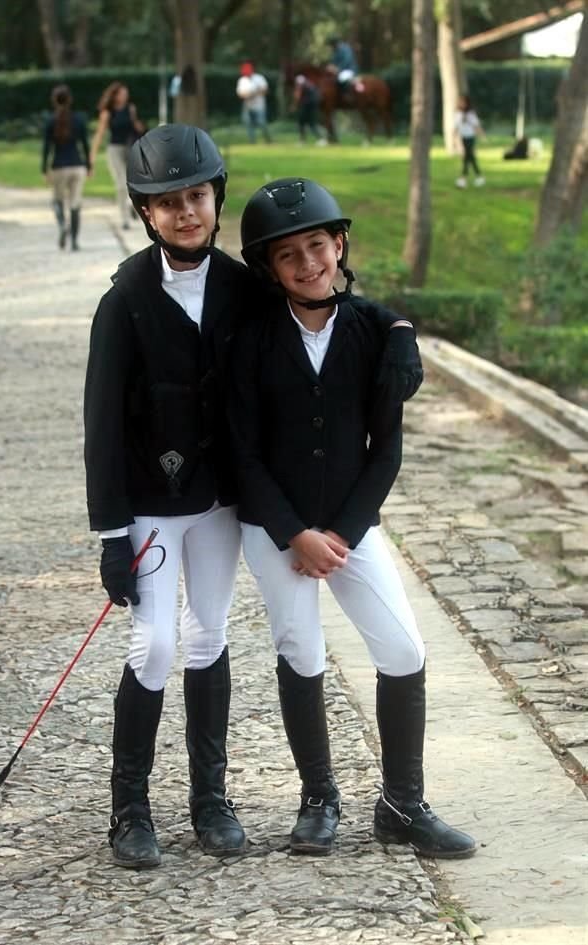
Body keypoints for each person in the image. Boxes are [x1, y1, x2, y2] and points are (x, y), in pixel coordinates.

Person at [229, 177, 477, 860]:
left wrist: (342, 530)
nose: (308, 262)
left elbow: (386, 448)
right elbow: (242, 452)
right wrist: (293, 533)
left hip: (350, 526)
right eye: (289, 255)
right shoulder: (250, 341)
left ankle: (403, 802)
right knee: (301, 649)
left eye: (318, 245)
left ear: (339, 244)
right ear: (269, 269)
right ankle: (318, 797)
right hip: (272, 525)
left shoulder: (374, 331)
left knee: (403, 649)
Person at [84, 124, 255, 870]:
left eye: (197, 196)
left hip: (217, 503)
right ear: (145, 212)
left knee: (208, 633)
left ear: (217, 199)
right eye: (168, 203)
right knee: (154, 641)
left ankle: (210, 799)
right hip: (152, 501)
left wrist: (398, 329)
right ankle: (129, 808)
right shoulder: (123, 301)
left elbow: (328, 312)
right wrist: (111, 533)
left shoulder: (246, 289)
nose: (186, 212)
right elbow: (100, 424)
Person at [89, 82, 145, 228]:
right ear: (115, 96)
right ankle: (125, 218)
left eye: (126, 94)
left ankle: (132, 205)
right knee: (121, 184)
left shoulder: (130, 109)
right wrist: (92, 157)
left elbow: (136, 127)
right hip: (115, 150)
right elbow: (99, 134)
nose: (125, 96)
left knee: (135, 182)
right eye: (122, 94)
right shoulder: (108, 112)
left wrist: (140, 126)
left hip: (131, 149)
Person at [41, 84, 90, 251]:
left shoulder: (50, 121)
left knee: (57, 200)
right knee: (75, 204)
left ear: (53, 101)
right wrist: (89, 165)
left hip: (59, 167)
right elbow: (85, 144)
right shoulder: (78, 119)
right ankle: (75, 242)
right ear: (70, 100)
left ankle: (62, 225)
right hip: (77, 166)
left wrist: (44, 169)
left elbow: (47, 147)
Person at [454, 94, 485, 188]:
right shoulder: (458, 114)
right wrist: (454, 139)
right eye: (461, 101)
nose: (462, 103)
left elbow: (476, 126)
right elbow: (456, 127)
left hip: (470, 137)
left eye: (464, 102)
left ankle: (463, 179)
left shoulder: (471, 114)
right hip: (463, 137)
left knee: (467, 157)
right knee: (470, 158)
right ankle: (478, 176)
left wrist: (482, 135)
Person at [236, 62, 271, 144]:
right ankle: (252, 141)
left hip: (259, 106)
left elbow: (265, 90)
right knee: (248, 124)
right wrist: (247, 95)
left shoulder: (259, 78)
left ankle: (267, 139)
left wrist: (255, 93)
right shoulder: (242, 80)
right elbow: (240, 94)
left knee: (262, 123)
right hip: (247, 106)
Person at [293, 75, 326, 145]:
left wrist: (295, 106)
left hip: (307, 107)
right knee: (311, 124)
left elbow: (297, 96)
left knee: (303, 123)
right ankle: (320, 139)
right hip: (312, 107)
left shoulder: (303, 87)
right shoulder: (311, 86)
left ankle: (303, 140)